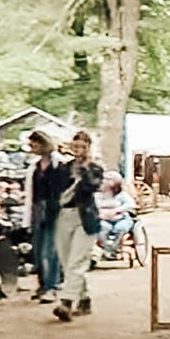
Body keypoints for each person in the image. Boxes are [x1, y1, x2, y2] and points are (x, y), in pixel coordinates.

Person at [52, 130, 103, 321]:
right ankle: (84, 298)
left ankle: (66, 302)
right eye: (76, 146)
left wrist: (84, 170)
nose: (78, 150)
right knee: (67, 261)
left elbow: (92, 186)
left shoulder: (95, 168)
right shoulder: (63, 169)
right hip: (64, 214)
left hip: (85, 217)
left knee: (77, 261)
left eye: (83, 147)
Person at [26, 131, 65, 304]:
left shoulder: (59, 164)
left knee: (50, 250)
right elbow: (31, 193)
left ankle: (52, 286)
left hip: (54, 210)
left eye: (34, 145)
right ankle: (43, 284)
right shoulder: (34, 167)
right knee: (37, 250)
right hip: (37, 210)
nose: (31, 149)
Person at [95, 172, 138, 262]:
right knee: (102, 228)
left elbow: (131, 204)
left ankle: (115, 249)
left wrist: (118, 210)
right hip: (104, 218)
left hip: (121, 218)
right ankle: (107, 249)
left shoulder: (122, 195)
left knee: (120, 228)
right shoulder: (99, 195)